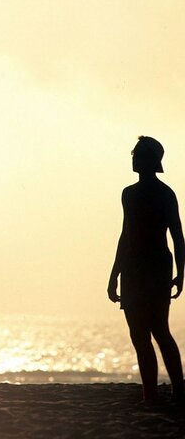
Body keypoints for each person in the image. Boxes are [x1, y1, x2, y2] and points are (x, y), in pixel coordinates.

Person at [108, 136, 184, 403]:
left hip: (156, 268)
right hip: (133, 268)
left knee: (159, 330)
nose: (134, 158)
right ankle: (150, 394)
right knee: (139, 334)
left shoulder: (165, 194)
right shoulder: (128, 194)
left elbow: (177, 235)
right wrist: (114, 274)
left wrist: (181, 274)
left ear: (150, 160)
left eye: (138, 154)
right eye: (133, 154)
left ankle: (178, 390)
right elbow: (125, 235)